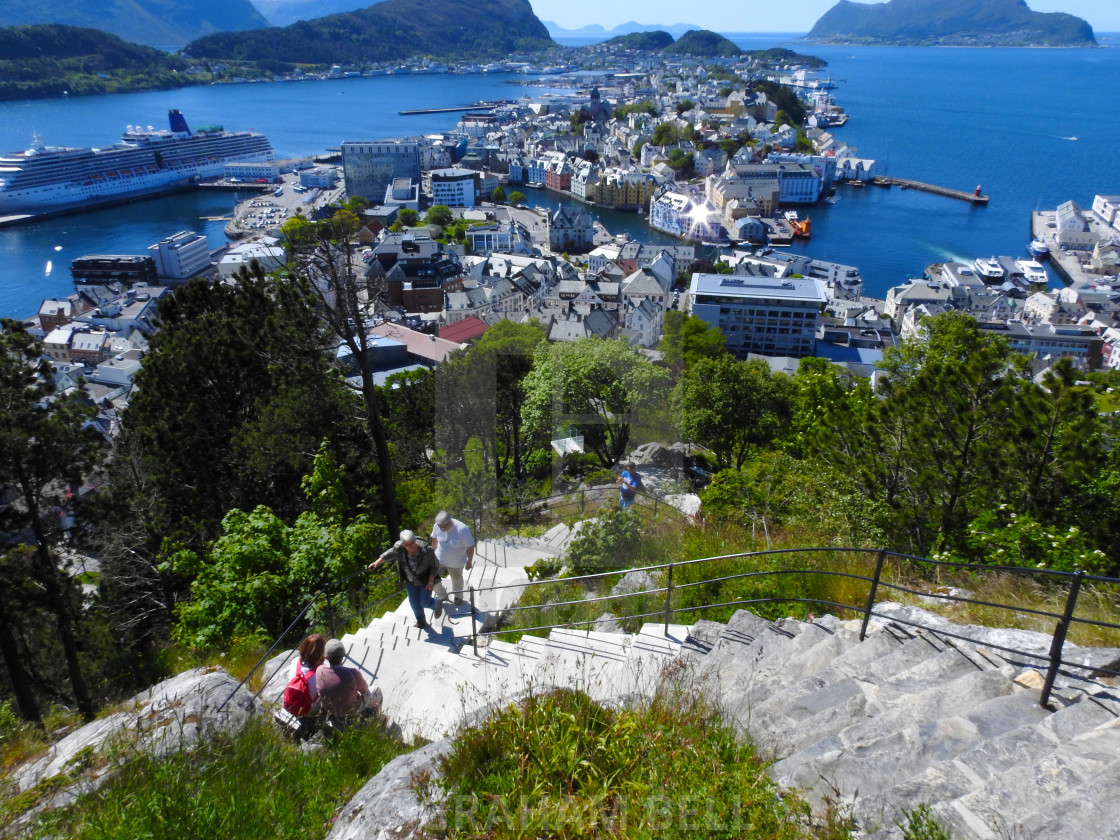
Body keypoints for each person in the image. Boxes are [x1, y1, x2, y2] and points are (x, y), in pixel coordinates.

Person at [368, 529, 443, 628]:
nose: (412, 546)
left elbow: (434, 565)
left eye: (413, 543)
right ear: (403, 544)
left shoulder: (426, 550)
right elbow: (387, 555)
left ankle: (437, 604)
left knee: (424, 602)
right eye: (408, 544)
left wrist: (430, 581)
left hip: (425, 579)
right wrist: (376, 563)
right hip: (410, 580)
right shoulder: (399, 548)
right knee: (414, 603)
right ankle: (421, 621)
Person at [315, 638, 378, 718]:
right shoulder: (353, 673)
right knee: (376, 690)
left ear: (326, 657)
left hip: (331, 710)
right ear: (343, 656)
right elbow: (364, 689)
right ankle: (377, 716)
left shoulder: (319, 670)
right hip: (352, 710)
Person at [430, 511, 475, 605]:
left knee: (457, 581)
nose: (441, 529)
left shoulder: (462, 529)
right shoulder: (437, 526)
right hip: (439, 559)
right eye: (439, 527)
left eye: (443, 527)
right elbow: (434, 538)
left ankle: (458, 598)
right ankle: (442, 596)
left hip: (456, 562)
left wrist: (469, 561)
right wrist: (432, 551)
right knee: (432, 578)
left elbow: (470, 546)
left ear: (450, 522)